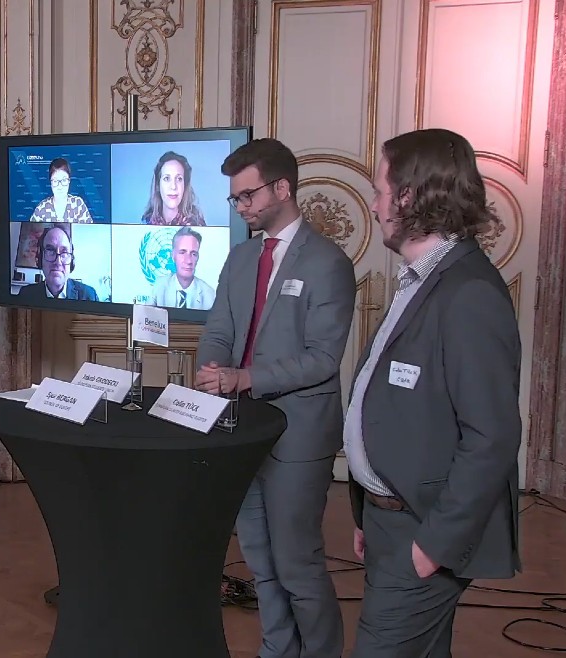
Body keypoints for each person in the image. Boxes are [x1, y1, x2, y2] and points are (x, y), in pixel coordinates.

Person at [344, 128, 521, 657]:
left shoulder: (468, 293)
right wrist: (370, 509)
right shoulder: (419, 279)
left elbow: (492, 437)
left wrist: (431, 545)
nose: (373, 207)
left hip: (423, 532)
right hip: (390, 521)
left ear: (409, 196)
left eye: (379, 191)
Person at [195, 138, 355, 658]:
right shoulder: (240, 258)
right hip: (239, 431)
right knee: (260, 561)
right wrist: (214, 365)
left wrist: (243, 378)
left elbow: (321, 359)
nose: (240, 207)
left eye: (247, 195)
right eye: (235, 198)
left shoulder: (329, 263)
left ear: (282, 188)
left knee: (296, 563)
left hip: (298, 434)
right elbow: (219, 328)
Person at [16, 224, 99, 301]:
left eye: (64, 253)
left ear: (71, 261)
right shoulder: (25, 294)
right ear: (40, 257)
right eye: (50, 251)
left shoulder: (89, 296)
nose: (58, 262)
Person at [151, 226, 216, 309]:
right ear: (173, 255)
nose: (188, 261)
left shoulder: (209, 295)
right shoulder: (159, 286)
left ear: (198, 258)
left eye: (193, 254)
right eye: (182, 252)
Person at [140, 150, 206, 226]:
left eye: (179, 179)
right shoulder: (146, 223)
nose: (173, 186)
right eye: (167, 178)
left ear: (185, 185)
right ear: (158, 185)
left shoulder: (198, 225)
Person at [29, 158, 93, 223]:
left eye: (64, 180)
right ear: (50, 182)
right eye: (55, 181)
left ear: (69, 181)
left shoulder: (78, 204)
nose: (60, 186)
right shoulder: (42, 208)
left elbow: (90, 230)